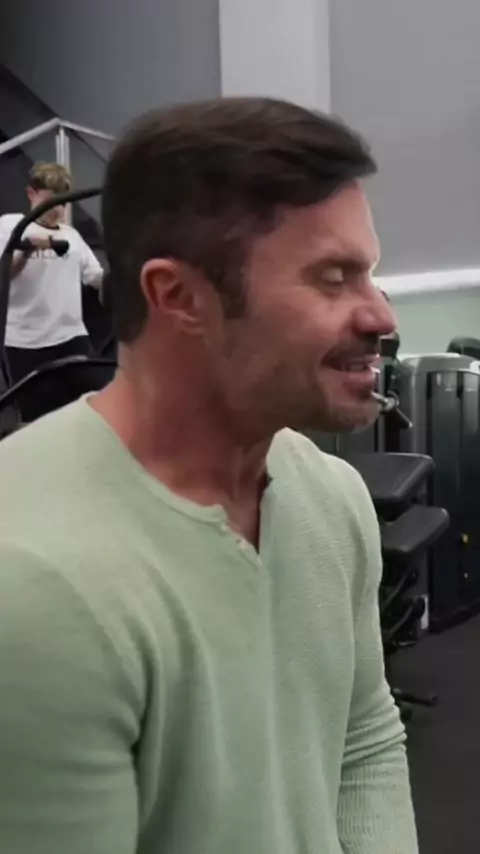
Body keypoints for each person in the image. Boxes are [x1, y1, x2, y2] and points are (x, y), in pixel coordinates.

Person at [0, 99, 418, 854]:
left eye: (371, 274)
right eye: (334, 279)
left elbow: (363, 742)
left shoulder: (330, 496)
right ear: (179, 298)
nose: (381, 316)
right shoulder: (32, 584)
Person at [0, 161, 106, 421]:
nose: (57, 210)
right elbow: (3, 274)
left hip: (72, 337)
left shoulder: (72, 236)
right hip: (27, 344)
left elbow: (96, 278)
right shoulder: (10, 226)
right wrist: (27, 250)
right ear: (31, 194)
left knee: (99, 406)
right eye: (50, 202)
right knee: (43, 420)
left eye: (62, 203)